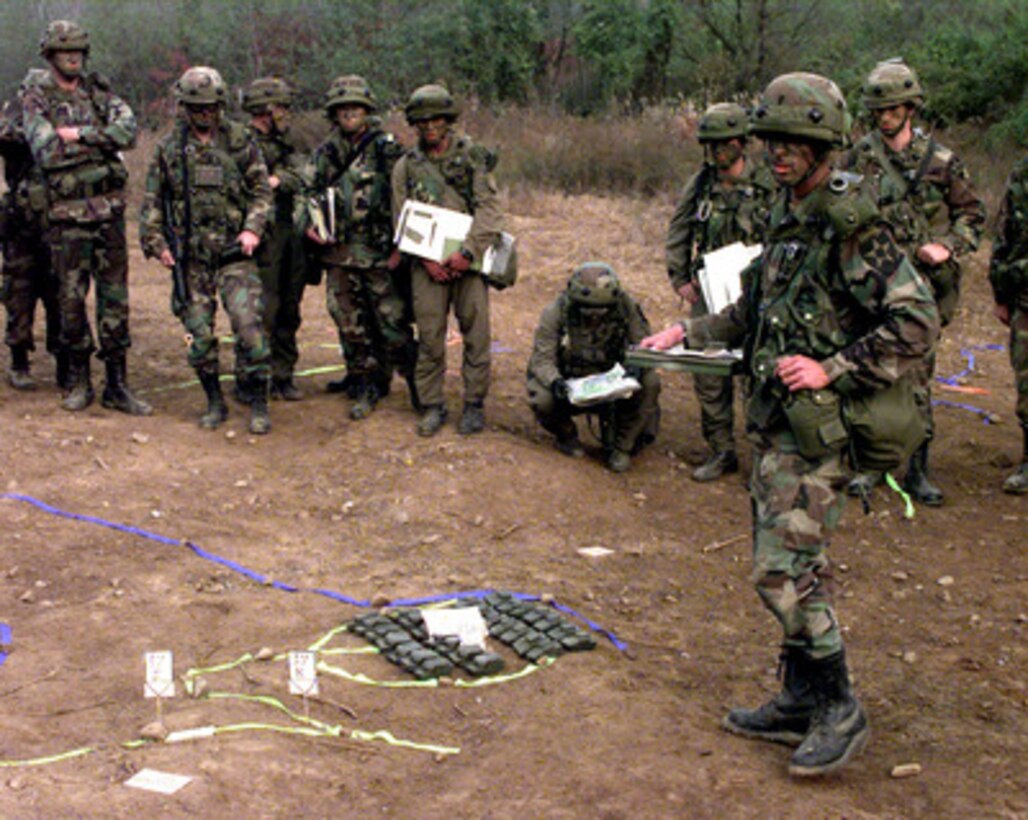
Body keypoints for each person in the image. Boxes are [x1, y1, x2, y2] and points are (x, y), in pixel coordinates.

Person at [641, 73, 939, 776]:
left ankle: (839, 706)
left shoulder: (848, 223)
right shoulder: (785, 212)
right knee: (791, 567)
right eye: (771, 138)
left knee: (779, 574)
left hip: (819, 433)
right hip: (775, 428)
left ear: (823, 145)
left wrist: (833, 367)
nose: (777, 152)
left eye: (794, 142)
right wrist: (687, 329)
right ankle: (799, 696)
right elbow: (752, 313)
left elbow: (917, 320)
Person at [844, 59, 986, 505]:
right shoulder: (858, 157)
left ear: (911, 108)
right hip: (871, 282)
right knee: (867, 368)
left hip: (921, 285)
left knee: (918, 377)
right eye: (877, 111)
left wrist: (948, 245)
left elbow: (972, 216)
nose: (884, 117)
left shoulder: (941, 161)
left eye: (892, 109)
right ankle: (869, 464)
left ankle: (918, 470)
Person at [21, 20, 151, 415]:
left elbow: (128, 132)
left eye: (78, 51)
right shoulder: (35, 98)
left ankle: (117, 383)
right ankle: (80, 380)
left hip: (109, 213)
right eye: (64, 52)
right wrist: (100, 141)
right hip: (66, 218)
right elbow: (47, 153)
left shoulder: (99, 90)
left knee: (115, 301)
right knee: (71, 301)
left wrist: (79, 135)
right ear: (50, 56)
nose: (72, 57)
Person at [139, 66, 273, 434]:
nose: (204, 115)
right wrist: (157, 243)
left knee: (250, 330)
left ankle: (260, 402)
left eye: (210, 108)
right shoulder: (170, 149)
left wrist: (252, 228)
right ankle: (214, 401)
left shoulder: (240, 140)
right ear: (184, 108)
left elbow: (262, 191)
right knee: (199, 335)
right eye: (196, 109)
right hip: (191, 259)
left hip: (234, 254)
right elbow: (152, 202)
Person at [666, 102, 775, 481]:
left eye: (723, 143)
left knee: (757, 373)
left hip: (758, 293)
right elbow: (679, 231)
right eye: (710, 145)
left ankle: (764, 458)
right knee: (709, 374)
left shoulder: (769, 184)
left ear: (742, 142)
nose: (716, 152)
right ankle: (721, 450)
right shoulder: (700, 185)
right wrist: (680, 277)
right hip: (710, 291)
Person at [302, 75, 417, 420]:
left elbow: (410, 197)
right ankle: (365, 382)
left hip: (380, 252)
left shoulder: (388, 148)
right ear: (333, 114)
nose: (349, 113)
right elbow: (305, 192)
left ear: (367, 109)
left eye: (355, 107)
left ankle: (417, 385)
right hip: (339, 253)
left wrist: (403, 247)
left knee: (392, 322)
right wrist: (308, 224)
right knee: (348, 320)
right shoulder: (326, 152)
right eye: (342, 108)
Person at [392, 84, 504, 437]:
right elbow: (402, 218)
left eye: (436, 119)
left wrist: (468, 252)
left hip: (467, 263)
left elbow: (489, 210)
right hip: (427, 265)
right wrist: (427, 260)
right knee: (429, 337)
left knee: (476, 335)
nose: (429, 126)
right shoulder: (406, 167)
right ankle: (431, 405)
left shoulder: (472, 158)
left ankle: (473, 404)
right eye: (422, 120)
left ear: (448, 119)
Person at [526, 263, 661, 473]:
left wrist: (634, 366)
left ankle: (621, 446)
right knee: (541, 396)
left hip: (614, 383)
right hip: (571, 382)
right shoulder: (556, 312)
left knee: (650, 382)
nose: (594, 317)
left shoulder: (627, 307)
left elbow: (644, 346)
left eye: (601, 311)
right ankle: (566, 435)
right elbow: (542, 360)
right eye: (586, 310)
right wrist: (556, 382)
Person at [241, 76, 308, 402]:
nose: (285, 113)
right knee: (259, 310)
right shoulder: (240, 143)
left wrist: (277, 179)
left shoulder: (287, 143)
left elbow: (303, 174)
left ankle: (283, 375)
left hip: (287, 231)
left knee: (289, 308)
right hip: (258, 236)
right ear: (265, 109)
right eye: (281, 107)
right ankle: (251, 378)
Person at [0, 70, 61, 392]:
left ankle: (63, 359)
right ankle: (19, 360)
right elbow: (6, 134)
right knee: (18, 292)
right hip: (21, 224)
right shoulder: (15, 115)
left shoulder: (61, 119)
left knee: (60, 293)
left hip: (58, 222)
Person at [989, 156, 1028, 494]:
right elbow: (1005, 232)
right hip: (1026, 296)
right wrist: (1001, 293)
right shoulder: (1023, 174)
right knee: (1027, 384)